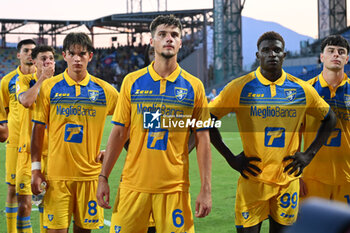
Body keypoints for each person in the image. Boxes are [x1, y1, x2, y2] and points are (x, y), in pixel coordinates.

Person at [208, 31, 336, 233]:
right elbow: (208, 119)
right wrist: (230, 158)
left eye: (277, 50)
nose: (272, 54)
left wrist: (308, 154)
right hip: (253, 181)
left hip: (287, 182)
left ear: (284, 55)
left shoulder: (301, 89)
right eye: (266, 50)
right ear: (258, 56)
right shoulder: (240, 87)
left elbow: (330, 118)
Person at [97, 15, 212, 233]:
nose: (169, 39)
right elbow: (119, 132)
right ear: (152, 41)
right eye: (162, 34)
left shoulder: (194, 87)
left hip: (174, 190)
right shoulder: (131, 81)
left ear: (180, 43)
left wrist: (206, 189)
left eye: (174, 35)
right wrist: (103, 178)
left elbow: (203, 138)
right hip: (133, 186)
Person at [30, 32, 119, 233]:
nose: (77, 58)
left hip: (89, 177)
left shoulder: (105, 91)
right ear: (64, 55)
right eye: (72, 53)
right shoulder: (49, 88)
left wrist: (111, 149)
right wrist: (36, 169)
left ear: (90, 56)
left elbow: (128, 120)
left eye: (82, 53)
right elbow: (37, 129)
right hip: (56, 177)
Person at [300, 35, 350, 204]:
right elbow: (293, 135)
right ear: (322, 57)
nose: (336, 55)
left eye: (341, 52)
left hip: (347, 179)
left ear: (347, 59)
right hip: (312, 178)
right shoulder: (305, 90)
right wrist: (294, 176)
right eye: (331, 51)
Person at [16, 45, 55, 233]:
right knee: (24, 206)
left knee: (49, 210)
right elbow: (26, 101)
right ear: (34, 61)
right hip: (28, 153)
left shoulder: (62, 85)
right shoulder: (24, 81)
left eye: (50, 58)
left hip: (53, 156)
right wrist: (42, 79)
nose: (47, 61)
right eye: (43, 58)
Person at [0, 39, 36, 233]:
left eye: (33, 51)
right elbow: (3, 113)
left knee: (44, 192)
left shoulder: (45, 80)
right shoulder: (7, 81)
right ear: (18, 55)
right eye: (26, 50)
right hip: (15, 143)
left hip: (39, 144)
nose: (30, 54)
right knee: (13, 190)